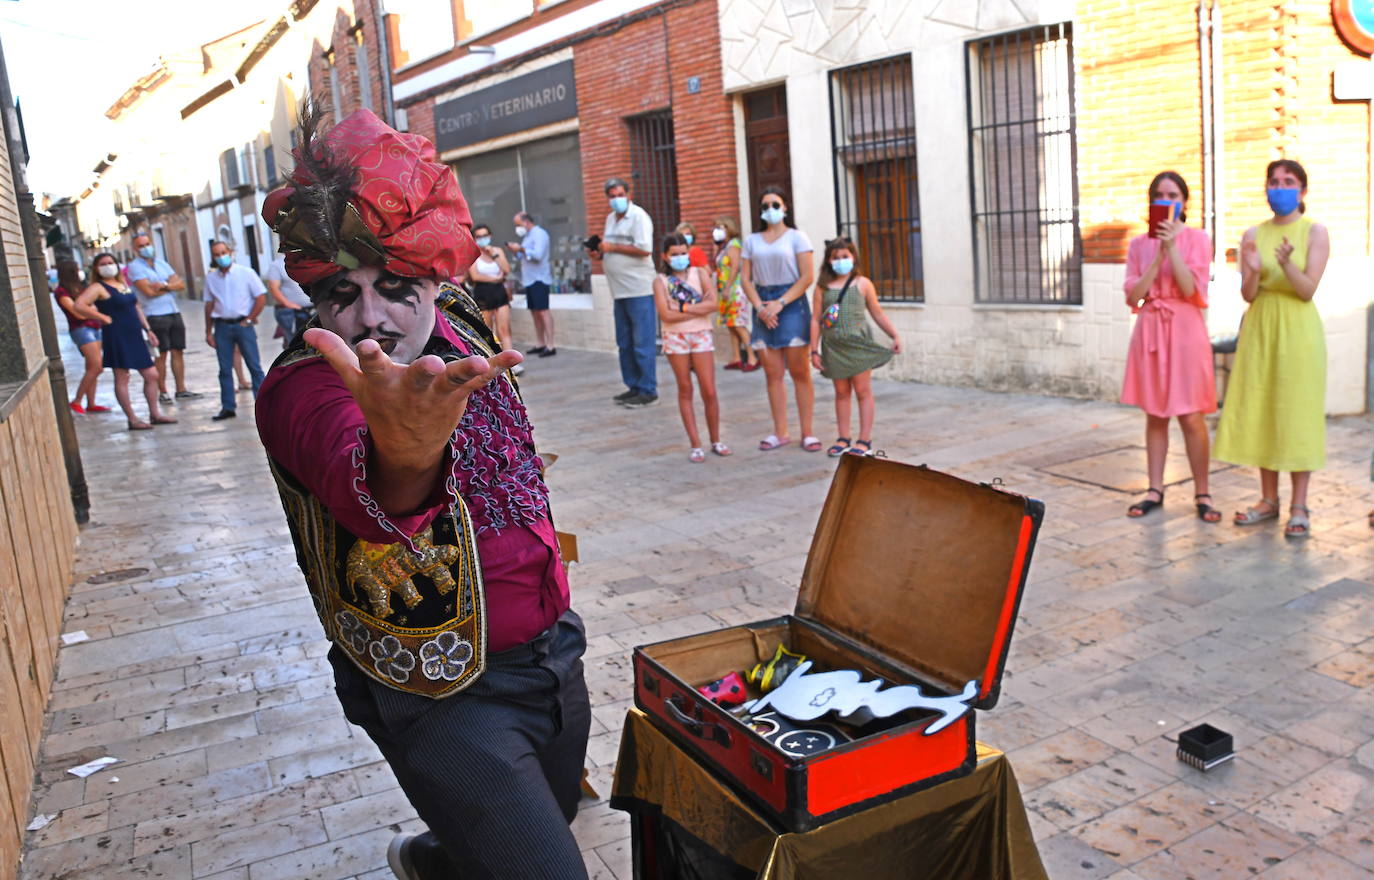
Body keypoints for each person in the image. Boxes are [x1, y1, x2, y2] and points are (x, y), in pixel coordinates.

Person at [257, 107, 590, 880]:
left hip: (554, 649)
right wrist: (404, 447)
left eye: (395, 286)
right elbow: (361, 476)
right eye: (341, 292)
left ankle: (433, 860)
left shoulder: (463, 326)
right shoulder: (307, 386)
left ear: (438, 278)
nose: (369, 317)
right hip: (444, 696)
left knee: (551, 819)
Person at [1214, 159, 1329, 538]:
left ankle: (1299, 504)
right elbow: (1248, 294)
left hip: (1298, 330)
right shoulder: (1252, 234)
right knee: (1263, 408)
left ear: (1302, 190)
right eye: (1274, 181)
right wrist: (1254, 269)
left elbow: (1307, 289)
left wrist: (1285, 264)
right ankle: (1267, 499)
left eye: (1288, 181)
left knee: (1295, 412)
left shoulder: (1315, 232)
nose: (1279, 187)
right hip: (1261, 327)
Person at [1120, 171, 1219, 522]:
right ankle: (1154, 488)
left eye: (1173, 194)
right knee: (1156, 414)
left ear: (1185, 203)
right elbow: (1134, 294)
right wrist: (1157, 256)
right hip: (1151, 330)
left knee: (1192, 415)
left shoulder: (1198, 238)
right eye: (1159, 195)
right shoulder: (1137, 245)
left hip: (1186, 330)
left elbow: (1192, 288)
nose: (1167, 200)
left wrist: (1172, 247)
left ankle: (1203, 491)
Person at [740, 186, 817, 451]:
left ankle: (807, 432)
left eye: (775, 204)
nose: (770, 210)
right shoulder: (751, 241)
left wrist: (781, 303)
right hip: (762, 302)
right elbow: (745, 279)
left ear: (785, 208)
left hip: (791, 303)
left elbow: (807, 276)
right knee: (772, 373)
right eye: (765, 206)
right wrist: (761, 306)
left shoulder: (797, 237)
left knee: (799, 371)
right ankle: (780, 431)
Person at [809, 237, 900, 457]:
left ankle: (864, 440)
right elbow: (815, 319)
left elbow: (877, 312)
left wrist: (894, 335)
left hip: (857, 345)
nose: (841, 261)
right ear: (829, 261)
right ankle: (843, 438)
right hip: (834, 346)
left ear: (853, 257)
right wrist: (814, 350)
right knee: (841, 392)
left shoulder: (863, 284)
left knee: (862, 391)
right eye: (836, 257)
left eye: (845, 257)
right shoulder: (822, 287)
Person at [74, 253, 175, 430]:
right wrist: (101, 317)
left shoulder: (122, 284)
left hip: (135, 334)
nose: (108, 266)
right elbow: (79, 305)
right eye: (103, 264)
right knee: (122, 376)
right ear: (97, 269)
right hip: (116, 335)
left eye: (110, 262)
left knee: (152, 374)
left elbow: (136, 307)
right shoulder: (98, 287)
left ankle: (155, 413)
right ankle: (132, 418)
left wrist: (148, 329)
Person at [654, 233, 729, 461]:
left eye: (683, 253)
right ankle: (695, 443)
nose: (680, 257)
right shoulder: (660, 281)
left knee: (709, 389)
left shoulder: (700, 273)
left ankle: (716, 439)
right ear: (665, 256)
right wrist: (698, 306)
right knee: (685, 388)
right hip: (675, 338)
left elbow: (713, 304)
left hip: (701, 335)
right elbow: (665, 313)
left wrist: (683, 308)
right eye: (674, 254)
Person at [593, 177, 657, 407]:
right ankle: (633, 386)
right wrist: (601, 253)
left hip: (639, 289)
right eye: (612, 196)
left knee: (642, 342)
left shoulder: (639, 216)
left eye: (620, 194)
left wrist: (612, 247)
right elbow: (612, 249)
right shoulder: (611, 218)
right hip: (618, 290)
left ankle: (648, 390)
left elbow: (644, 249)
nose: (616, 199)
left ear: (629, 195)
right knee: (625, 343)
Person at [126, 232, 200, 403]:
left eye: (147, 244)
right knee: (161, 355)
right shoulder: (135, 267)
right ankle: (163, 391)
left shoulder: (162, 263)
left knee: (178, 351)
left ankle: (181, 389)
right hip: (154, 315)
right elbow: (148, 292)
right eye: (141, 246)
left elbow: (180, 285)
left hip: (173, 311)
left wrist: (164, 285)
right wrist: (169, 286)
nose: (146, 248)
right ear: (135, 249)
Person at [203, 241, 267, 421]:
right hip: (222, 326)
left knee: (254, 366)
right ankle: (228, 406)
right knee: (224, 368)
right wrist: (208, 331)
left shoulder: (245, 273)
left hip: (242, 325)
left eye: (224, 252)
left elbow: (261, 297)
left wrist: (249, 318)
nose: (221, 256)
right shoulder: (211, 279)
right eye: (217, 254)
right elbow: (209, 304)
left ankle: (263, 405)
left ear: (230, 252)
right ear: (213, 257)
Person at [52, 260, 108, 413]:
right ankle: (77, 400)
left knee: (91, 367)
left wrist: (89, 310)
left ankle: (91, 403)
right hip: (82, 330)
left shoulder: (81, 288)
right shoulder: (61, 292)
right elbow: (77, 312)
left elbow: (93, 307)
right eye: (76, 269)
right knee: (97, 367)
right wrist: (90, 310)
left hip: (95, 327)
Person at [508, 212, 555, 357]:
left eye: (518, 225)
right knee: (535, 312)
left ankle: (550, 345)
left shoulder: (539, 234)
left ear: (526, 221)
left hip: (539, 278)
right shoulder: (527, 236)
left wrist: (521, 249)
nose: (517, 228)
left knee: (543, 311)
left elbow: (538, 255)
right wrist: (516, 251)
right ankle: (540, 343)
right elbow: (524, 256)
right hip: (529, 279)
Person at [712, 216, 756, 372]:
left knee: (738, 324)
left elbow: (735, 267)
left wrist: (727, 288)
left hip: (734, 290)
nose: (717, 230)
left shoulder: (734, 245)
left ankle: (752, 357)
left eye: (721, 227)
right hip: (724, 289)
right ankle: (736, 357)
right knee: (730, 325)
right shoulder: (724, 247)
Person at [264, 253, 313, 350]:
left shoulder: (308, 260)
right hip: (291, 312)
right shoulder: (277, 265)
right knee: (295, 344)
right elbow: (273, 288)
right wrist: (288, 304)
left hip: (310, 310)